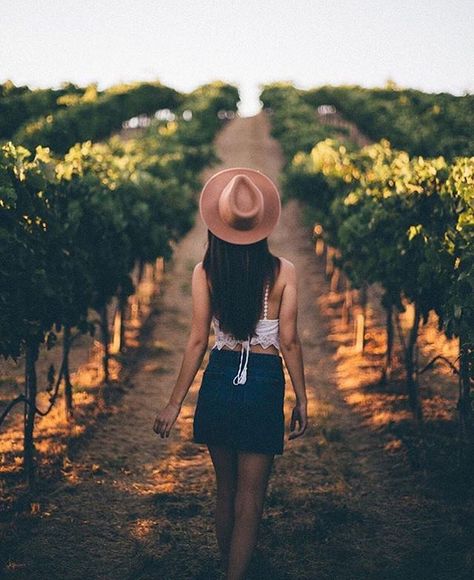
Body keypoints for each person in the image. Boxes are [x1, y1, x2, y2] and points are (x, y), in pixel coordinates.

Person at [153, 167, 308, 579]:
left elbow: (196, 341)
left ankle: (228, 568)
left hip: (220, 378)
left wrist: (174, 403)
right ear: (263, 223)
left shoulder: (205, 272)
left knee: (225, 490)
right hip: (262, 381)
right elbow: (289, 341)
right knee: (251, 498)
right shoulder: (284, 272)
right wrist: (302, 398)